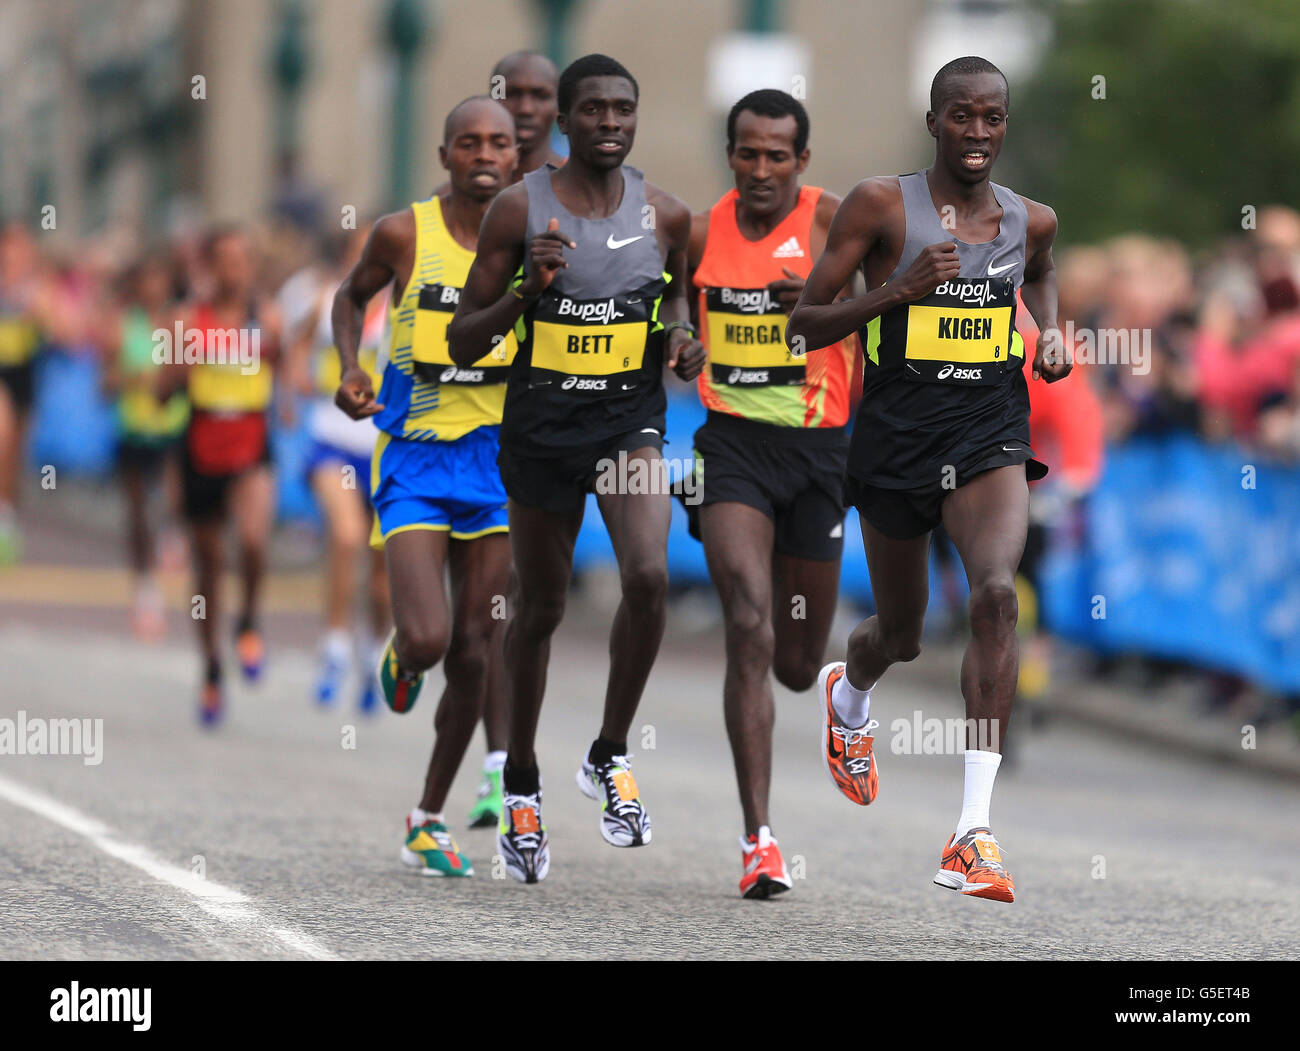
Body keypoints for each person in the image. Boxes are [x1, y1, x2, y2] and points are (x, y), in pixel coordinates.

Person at [787, 56, 1070, 903]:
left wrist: (1048, 335)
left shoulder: (1033, 221)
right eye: (961, 117)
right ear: (934, 121)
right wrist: (897, 290)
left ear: (1003, 126)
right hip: (896, 438)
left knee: (995, 595)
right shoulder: (881, 205)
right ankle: (853, 686)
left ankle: (973, 833)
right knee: (902, 633)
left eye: (991, 119)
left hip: (991, 430)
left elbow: (1044, 278)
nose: (977, 134)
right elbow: (805, 321)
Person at [449, 54, 705, 884]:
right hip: (541, 431)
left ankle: (607, 751)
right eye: (591, 108)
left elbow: (674, 299)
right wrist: (527, 292)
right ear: (563, 120)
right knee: (541, 609)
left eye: (622, 109)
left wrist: (679, 337)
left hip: (628, 423)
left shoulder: (667, 214)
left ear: (635, 118)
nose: (608, 121)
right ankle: (521, 778)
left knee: (649, 577)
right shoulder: (518, 210)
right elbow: (461, 338)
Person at [332, 96, 520, 876]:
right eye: (468, 142)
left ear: (517, 155)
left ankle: (427, 815)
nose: (484, 153)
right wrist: (351, 365)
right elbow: (351, 297)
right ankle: (404, 655)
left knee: (479, 646)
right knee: (433, 638)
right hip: (414, 457)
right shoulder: (404, 232)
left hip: (498, 462)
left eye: (499, 143)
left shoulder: (536, 235)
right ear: (444, 155)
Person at [686, 89, 859, 899]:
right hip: (732, 448)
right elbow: (661, 310)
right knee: (748, 619)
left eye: (776, 156)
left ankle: (833, 681)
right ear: (731, 154)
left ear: (802, 161)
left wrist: (823, 309)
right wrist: (680, 340)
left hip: (821, 453)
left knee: (795, 663)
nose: (761, 169)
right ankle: (759, 837)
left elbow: (896, 306)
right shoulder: (698, 231)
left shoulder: (834, 224)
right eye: (747, 153)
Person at [168, 227, 284, 726]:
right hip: (200, 445)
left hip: (252, 446)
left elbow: (286, 364)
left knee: (254, 540)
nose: (234, 271)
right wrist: (179, 361)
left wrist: (292, 401)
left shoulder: (267, 317)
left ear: (252, 267)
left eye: (242, 261)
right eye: (224, 261)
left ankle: (250, 621)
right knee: (209, 565)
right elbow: (159, 390)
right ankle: (212, 669)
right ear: (209, 267)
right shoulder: (186, 319)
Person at [285, 227, 391, 713]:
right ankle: (333, 645)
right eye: (361, 250)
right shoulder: (328, 298)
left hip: (388, 449)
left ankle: (374, 651)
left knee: (384, 566)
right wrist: (293, 385)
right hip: (332, 442)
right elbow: (297, 346)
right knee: (347, 536)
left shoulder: (406, 308)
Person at [102, 255, 190, 639]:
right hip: (134, 429)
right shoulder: (122, 325)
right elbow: (104, 384)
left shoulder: (180, 323)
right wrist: (130, 377)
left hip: (173, 427)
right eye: (147, 280)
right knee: (137, 514)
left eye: (161, 279)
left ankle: (175, 533)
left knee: (173, 495)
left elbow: (191, 373)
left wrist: (171, 378)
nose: (154, 288)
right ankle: (145, 589)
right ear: (136, 285)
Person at [0, 223, 48, 564]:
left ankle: (7, 517)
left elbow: (70, 330)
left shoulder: (37, 289)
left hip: (25, 377)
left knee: (15, 453)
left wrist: (37, 308)